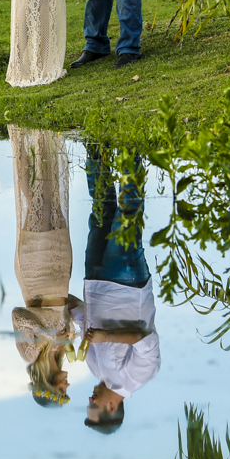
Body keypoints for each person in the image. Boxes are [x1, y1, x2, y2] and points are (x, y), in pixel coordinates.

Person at [71, 144, 161, 433]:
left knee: (101, 210)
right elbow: (144, 339)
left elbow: (84, 319)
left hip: (95, 281)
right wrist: (106, 336)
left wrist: (63, 324)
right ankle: (131, 148)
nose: (90, 399)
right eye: (94, 405)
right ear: (111, 408)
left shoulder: (95, 370)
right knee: (128, 214)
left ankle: (96, 148)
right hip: (126, 283)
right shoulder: (139, 377)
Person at [7, 125, 78, 407]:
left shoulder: (29, 354)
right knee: (54, 200)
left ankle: (32, 136)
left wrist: (48, 333)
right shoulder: (63, 350)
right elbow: (67, 307)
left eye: (63, 390)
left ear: (47, 385)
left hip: (36, 273)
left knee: (39, 200)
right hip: (60, 271)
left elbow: (18, 316)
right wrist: (79, 322)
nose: (67, 385)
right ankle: (45, 136)